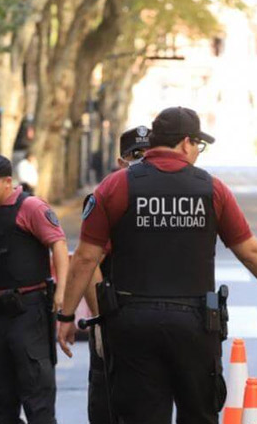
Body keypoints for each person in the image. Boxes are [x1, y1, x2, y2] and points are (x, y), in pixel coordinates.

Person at [57, 107, 257, 424]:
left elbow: (86, 257)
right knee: (198, 414)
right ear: (186, 143)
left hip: (132, 325)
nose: (198, 151)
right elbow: (252, 252)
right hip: (195, 326)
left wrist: (67, 315)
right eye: (198, 144)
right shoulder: (211, 189)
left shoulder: (117, 187)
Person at [0, 153, 69, 424]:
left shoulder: (30, 207)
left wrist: (61, 292)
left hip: (28, 311)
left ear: (8, 182)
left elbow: (58, 244)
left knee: (38, 400)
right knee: (2, 401)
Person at [83, 125, 151, 424]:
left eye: (146, 153)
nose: (141, 159)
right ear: (122, 159)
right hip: (115, 313)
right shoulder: (109, 194)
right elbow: (88, 263)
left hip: (153, 315)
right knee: (108, 403)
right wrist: (99, 322)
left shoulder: (169, 193)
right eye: (134, 154)